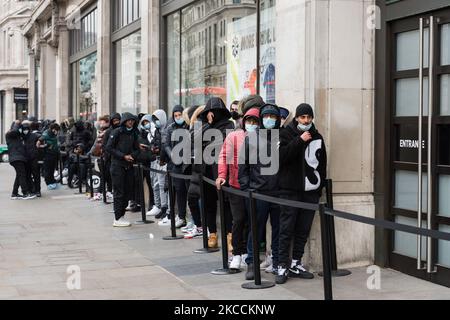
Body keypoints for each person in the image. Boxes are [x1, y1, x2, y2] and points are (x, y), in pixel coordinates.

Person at [276, 103, 327, 284]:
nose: (306, 121)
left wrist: (319, 189)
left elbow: (322, 165)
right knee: (286, 229)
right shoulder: (285, 134)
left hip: (310, 192)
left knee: (303, 230)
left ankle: (296, 263)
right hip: (289, 191)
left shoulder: (318, 137)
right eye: (302, 117)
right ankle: (282, 265)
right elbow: (281, 158)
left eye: (309, 117)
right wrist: (300, 140)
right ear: (296, 118)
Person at [239, 103, 281, 281]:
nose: (269, 120)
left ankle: (278, 262)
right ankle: (251, 262)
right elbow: (243, 166)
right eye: (266, 117)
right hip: (258, 191)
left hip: (279, 193)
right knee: (255, 229)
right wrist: (248, 188)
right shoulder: (251, 138)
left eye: (273, 117)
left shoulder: (282, 137)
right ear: (261, 119)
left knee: (279, 230)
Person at [216, 107, 260, 269]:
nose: (251, 124)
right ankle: (236, 253)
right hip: (236, 185)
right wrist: (222, 175)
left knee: (251, 221)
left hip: (255, 187)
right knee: (239, 219)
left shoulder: (262, 138)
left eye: (255, 121)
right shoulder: (234, 136)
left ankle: (247, 252)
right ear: (243, 121)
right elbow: (223, 156)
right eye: (249, 121)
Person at [197, 97, 234, 248]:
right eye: (209, 113)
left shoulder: (228, 125)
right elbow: (195, 141)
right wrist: (209, 125)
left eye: (214, 112)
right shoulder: (205, 126)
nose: (212, 115)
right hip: (206, 171)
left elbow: (224, 143)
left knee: (226, 205)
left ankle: (229, 235)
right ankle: (212, 233)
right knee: (209, 204)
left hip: (222, 170)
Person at [105, 113, 141, 227]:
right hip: (117, 166)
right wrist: (123, 156)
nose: (131, 122)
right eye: (129, 120)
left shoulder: (134, 133)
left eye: (132, 121)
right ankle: (117, 217)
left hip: (128, 165)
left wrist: (132, 155)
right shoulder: (117, 132)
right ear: (124, 121)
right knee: (119, 192)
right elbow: (109, 147)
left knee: (127, 191)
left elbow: (136, 149)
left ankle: (122, 214)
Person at [163, 105, 189, 228]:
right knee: (179, 191)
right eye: (176, 115)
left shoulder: (188, 126)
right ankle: (181, 216)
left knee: (190, 192)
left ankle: (191, 219)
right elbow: (166, 144)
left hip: (188, 163)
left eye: (180, 115)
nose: (178, 117)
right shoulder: (170, 128)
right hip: (176, 164)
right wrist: (171, 154)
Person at [148, 109, 170, 223]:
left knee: (166, 186)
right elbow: (155, 143)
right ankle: (163, 207)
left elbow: (166, 145)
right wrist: (154, 148)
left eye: (157, 119)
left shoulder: (167, 129)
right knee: (160, 185)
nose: (156, 122)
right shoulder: (157, 131)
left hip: (165, 161)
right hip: (158, 160)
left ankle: (168, 211)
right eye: (154, 120)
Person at [6, 123, 36, 200]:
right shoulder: (10, 134)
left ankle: (14, 193)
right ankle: (25, 193)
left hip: (19, 158)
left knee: (19, 175)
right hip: (16, 158)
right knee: (22, 175)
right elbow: (15, 131)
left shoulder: (17, 136)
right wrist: (17, 125)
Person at [102, 113, 121, 197]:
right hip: (110, 158)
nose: (116, 122)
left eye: (118, 120)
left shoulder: (122, 130)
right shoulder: (108, 132)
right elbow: (105, 145)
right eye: (114, 121)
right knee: (109, 175)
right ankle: (110, 190)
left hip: (120, 157)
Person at [38, 123, 61, 190]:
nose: (57, 132)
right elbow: (39, 142)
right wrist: (44, 146)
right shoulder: (46, 134)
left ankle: (53, 182)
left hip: (53, 154)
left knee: (51, 170)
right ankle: (48, 183)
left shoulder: (52, 134)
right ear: (53, 129)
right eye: (57, 130)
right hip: (48, 155)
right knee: (48, 170)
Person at [21, 121, 41, 197]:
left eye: (26, 129)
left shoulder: (33, 135)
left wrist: (39, 141)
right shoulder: (21, 137)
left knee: (36, 175)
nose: (25, 130)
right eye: (24, 129)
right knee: (27, 175)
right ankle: (30, 189)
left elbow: (41, 137)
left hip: (33, 158)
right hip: (25, 159)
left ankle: (37, 190)